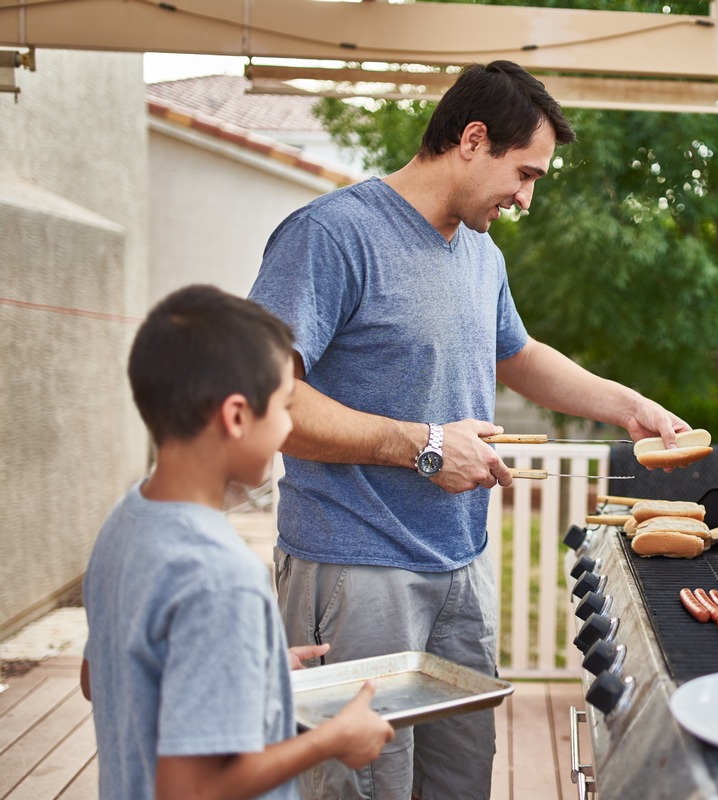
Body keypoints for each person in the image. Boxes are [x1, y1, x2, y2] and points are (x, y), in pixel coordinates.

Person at [248, 60, 690, 799]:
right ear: (472, 139)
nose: (526, 196)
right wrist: (423, 445)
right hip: (357, 568)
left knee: (460, 783)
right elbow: (270, 399)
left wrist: (628, 406)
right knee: (363, 787)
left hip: (461, 568)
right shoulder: (331, 235)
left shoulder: (481, 254)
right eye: (525, 174)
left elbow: (518, 356)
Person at [80, 285, 395, 800]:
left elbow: (102, 678)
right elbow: (192, 790)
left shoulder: (125, 523)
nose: (289, 426)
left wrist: (255, 663)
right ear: (235, 416)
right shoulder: (222, 578)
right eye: (283, 407)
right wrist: (332, 739)